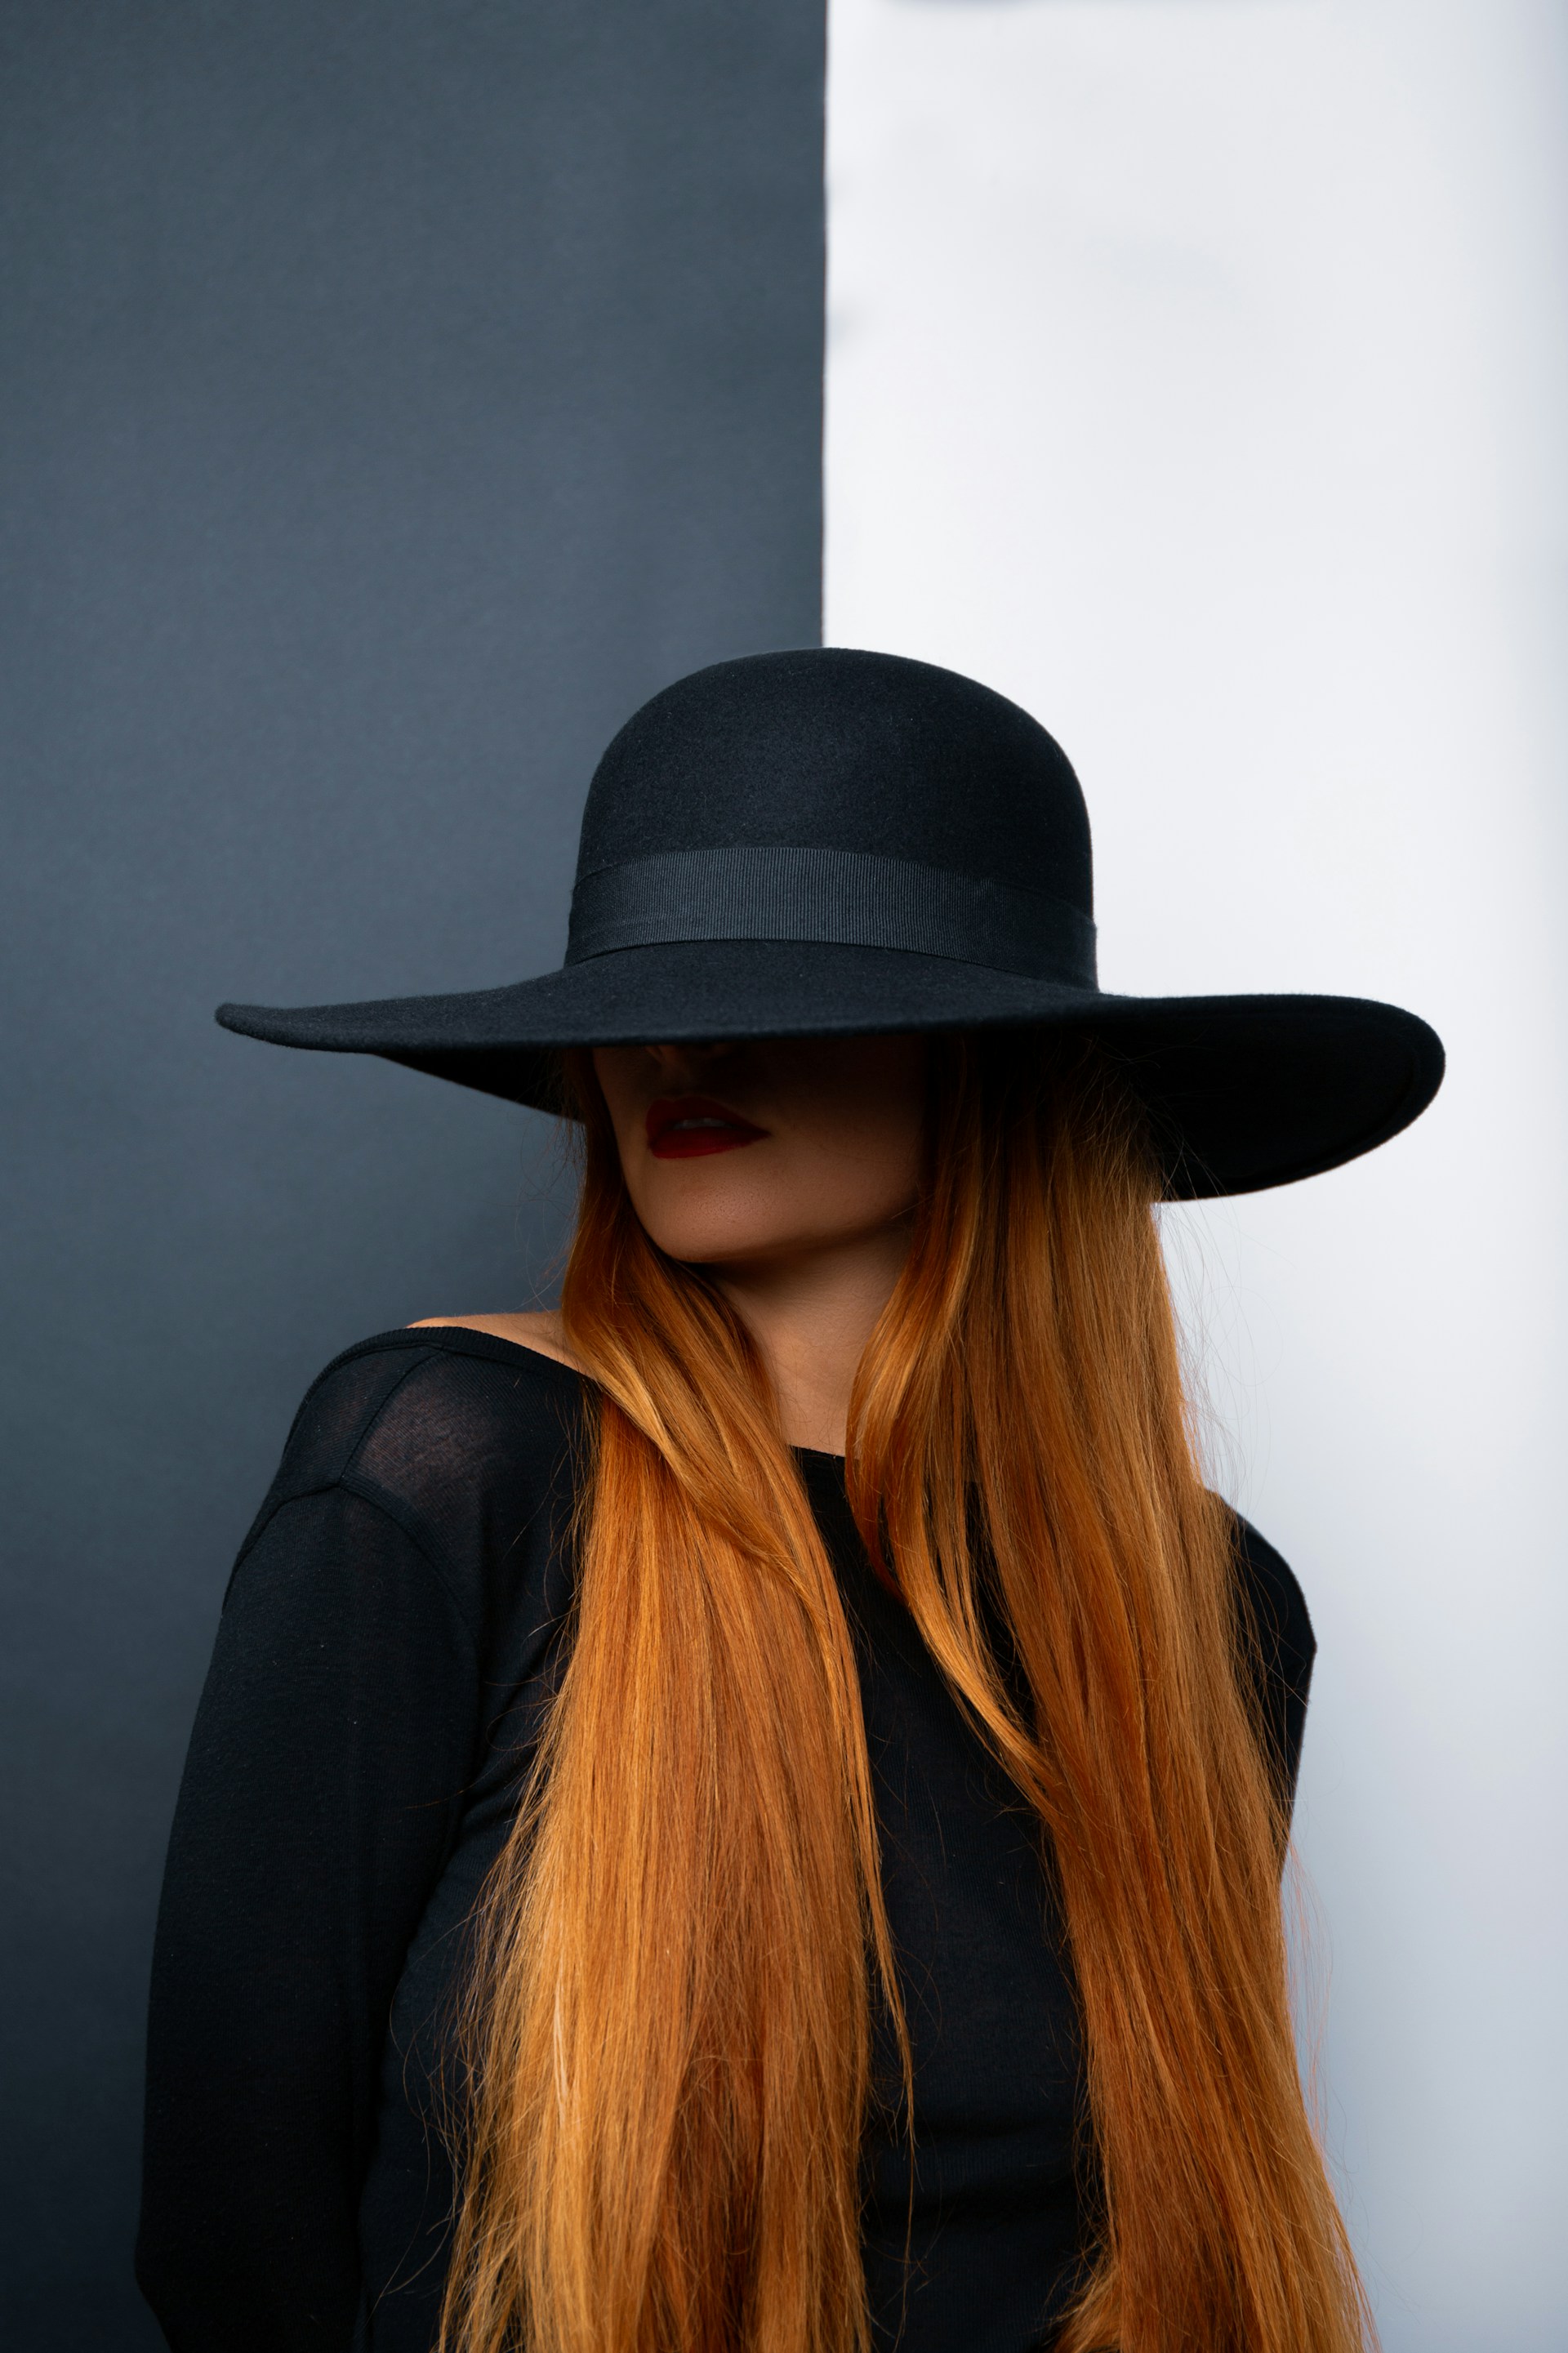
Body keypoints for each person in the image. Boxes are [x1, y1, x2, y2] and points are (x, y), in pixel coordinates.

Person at [136, 649, 1443, 2353]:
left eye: (795, 984)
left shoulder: (1205, 1602)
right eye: (644, 991)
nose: (680, 1040)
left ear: (996, 1060)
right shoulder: (459, 1462)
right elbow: (237, 2226)